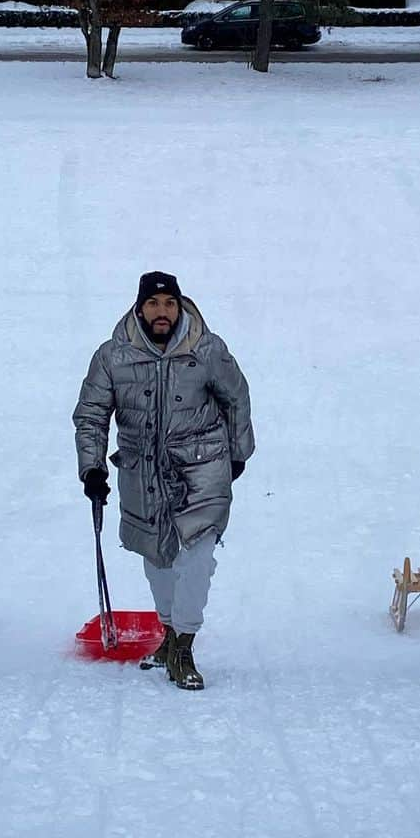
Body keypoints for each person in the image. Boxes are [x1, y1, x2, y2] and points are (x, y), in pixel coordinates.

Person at [73, 272, 254, 691]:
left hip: (202, 468)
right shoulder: (112, 357)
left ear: (180, 307)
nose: (161, 312)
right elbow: (91, 415)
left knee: (196, 559)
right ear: (140, 309)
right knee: (157, 561)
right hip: (141, 473)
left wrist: (237, 453)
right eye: (153, 305)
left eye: (169, 304)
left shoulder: (207, 350)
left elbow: (236, 397)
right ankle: (170, 635)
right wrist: (93, 468)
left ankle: (184, 645)